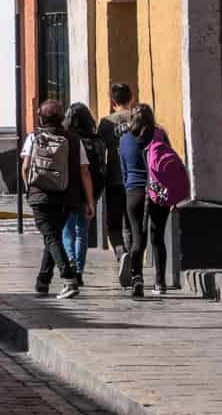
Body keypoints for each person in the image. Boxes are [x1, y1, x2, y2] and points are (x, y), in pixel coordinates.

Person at [20, 100, 93, 299]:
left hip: (40, 196)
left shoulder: (33, 137)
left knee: (51, 237)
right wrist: (90, 201)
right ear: (62, 118)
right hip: (67, 198)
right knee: (53, 236)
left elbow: (25, 168)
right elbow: (84, 171)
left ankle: (68, 278)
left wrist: (30, 189)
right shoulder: (74, 139)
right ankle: (42, 281)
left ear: (41, 118)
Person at [119, 103, 173, 298]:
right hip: (158, 190)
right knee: (157, 238)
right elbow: (168, 162)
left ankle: (137, 279)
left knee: (137, 238)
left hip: (134, 192)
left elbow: (123, 170)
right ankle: (160, 282)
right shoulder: (160, 135)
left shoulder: (124, 139)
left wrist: (130, 187)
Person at [62, 102, 106, 288]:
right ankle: (79, 270)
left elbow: (83, 171)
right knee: (82, 232)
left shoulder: (69, 140)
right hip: (91, 191)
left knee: (67, 230)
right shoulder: (97, 141)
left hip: (70, 191)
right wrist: (91, 200)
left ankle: (71, 263)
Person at [96, 83, 134, 274]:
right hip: (135, 179)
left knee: (113, 224)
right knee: (131, 224)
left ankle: (121, 253)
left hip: (113, 178)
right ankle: (133, 263)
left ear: (112, 102)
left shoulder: (106, 122)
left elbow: (99, 150)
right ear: (131, 98)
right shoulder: (138, 118)